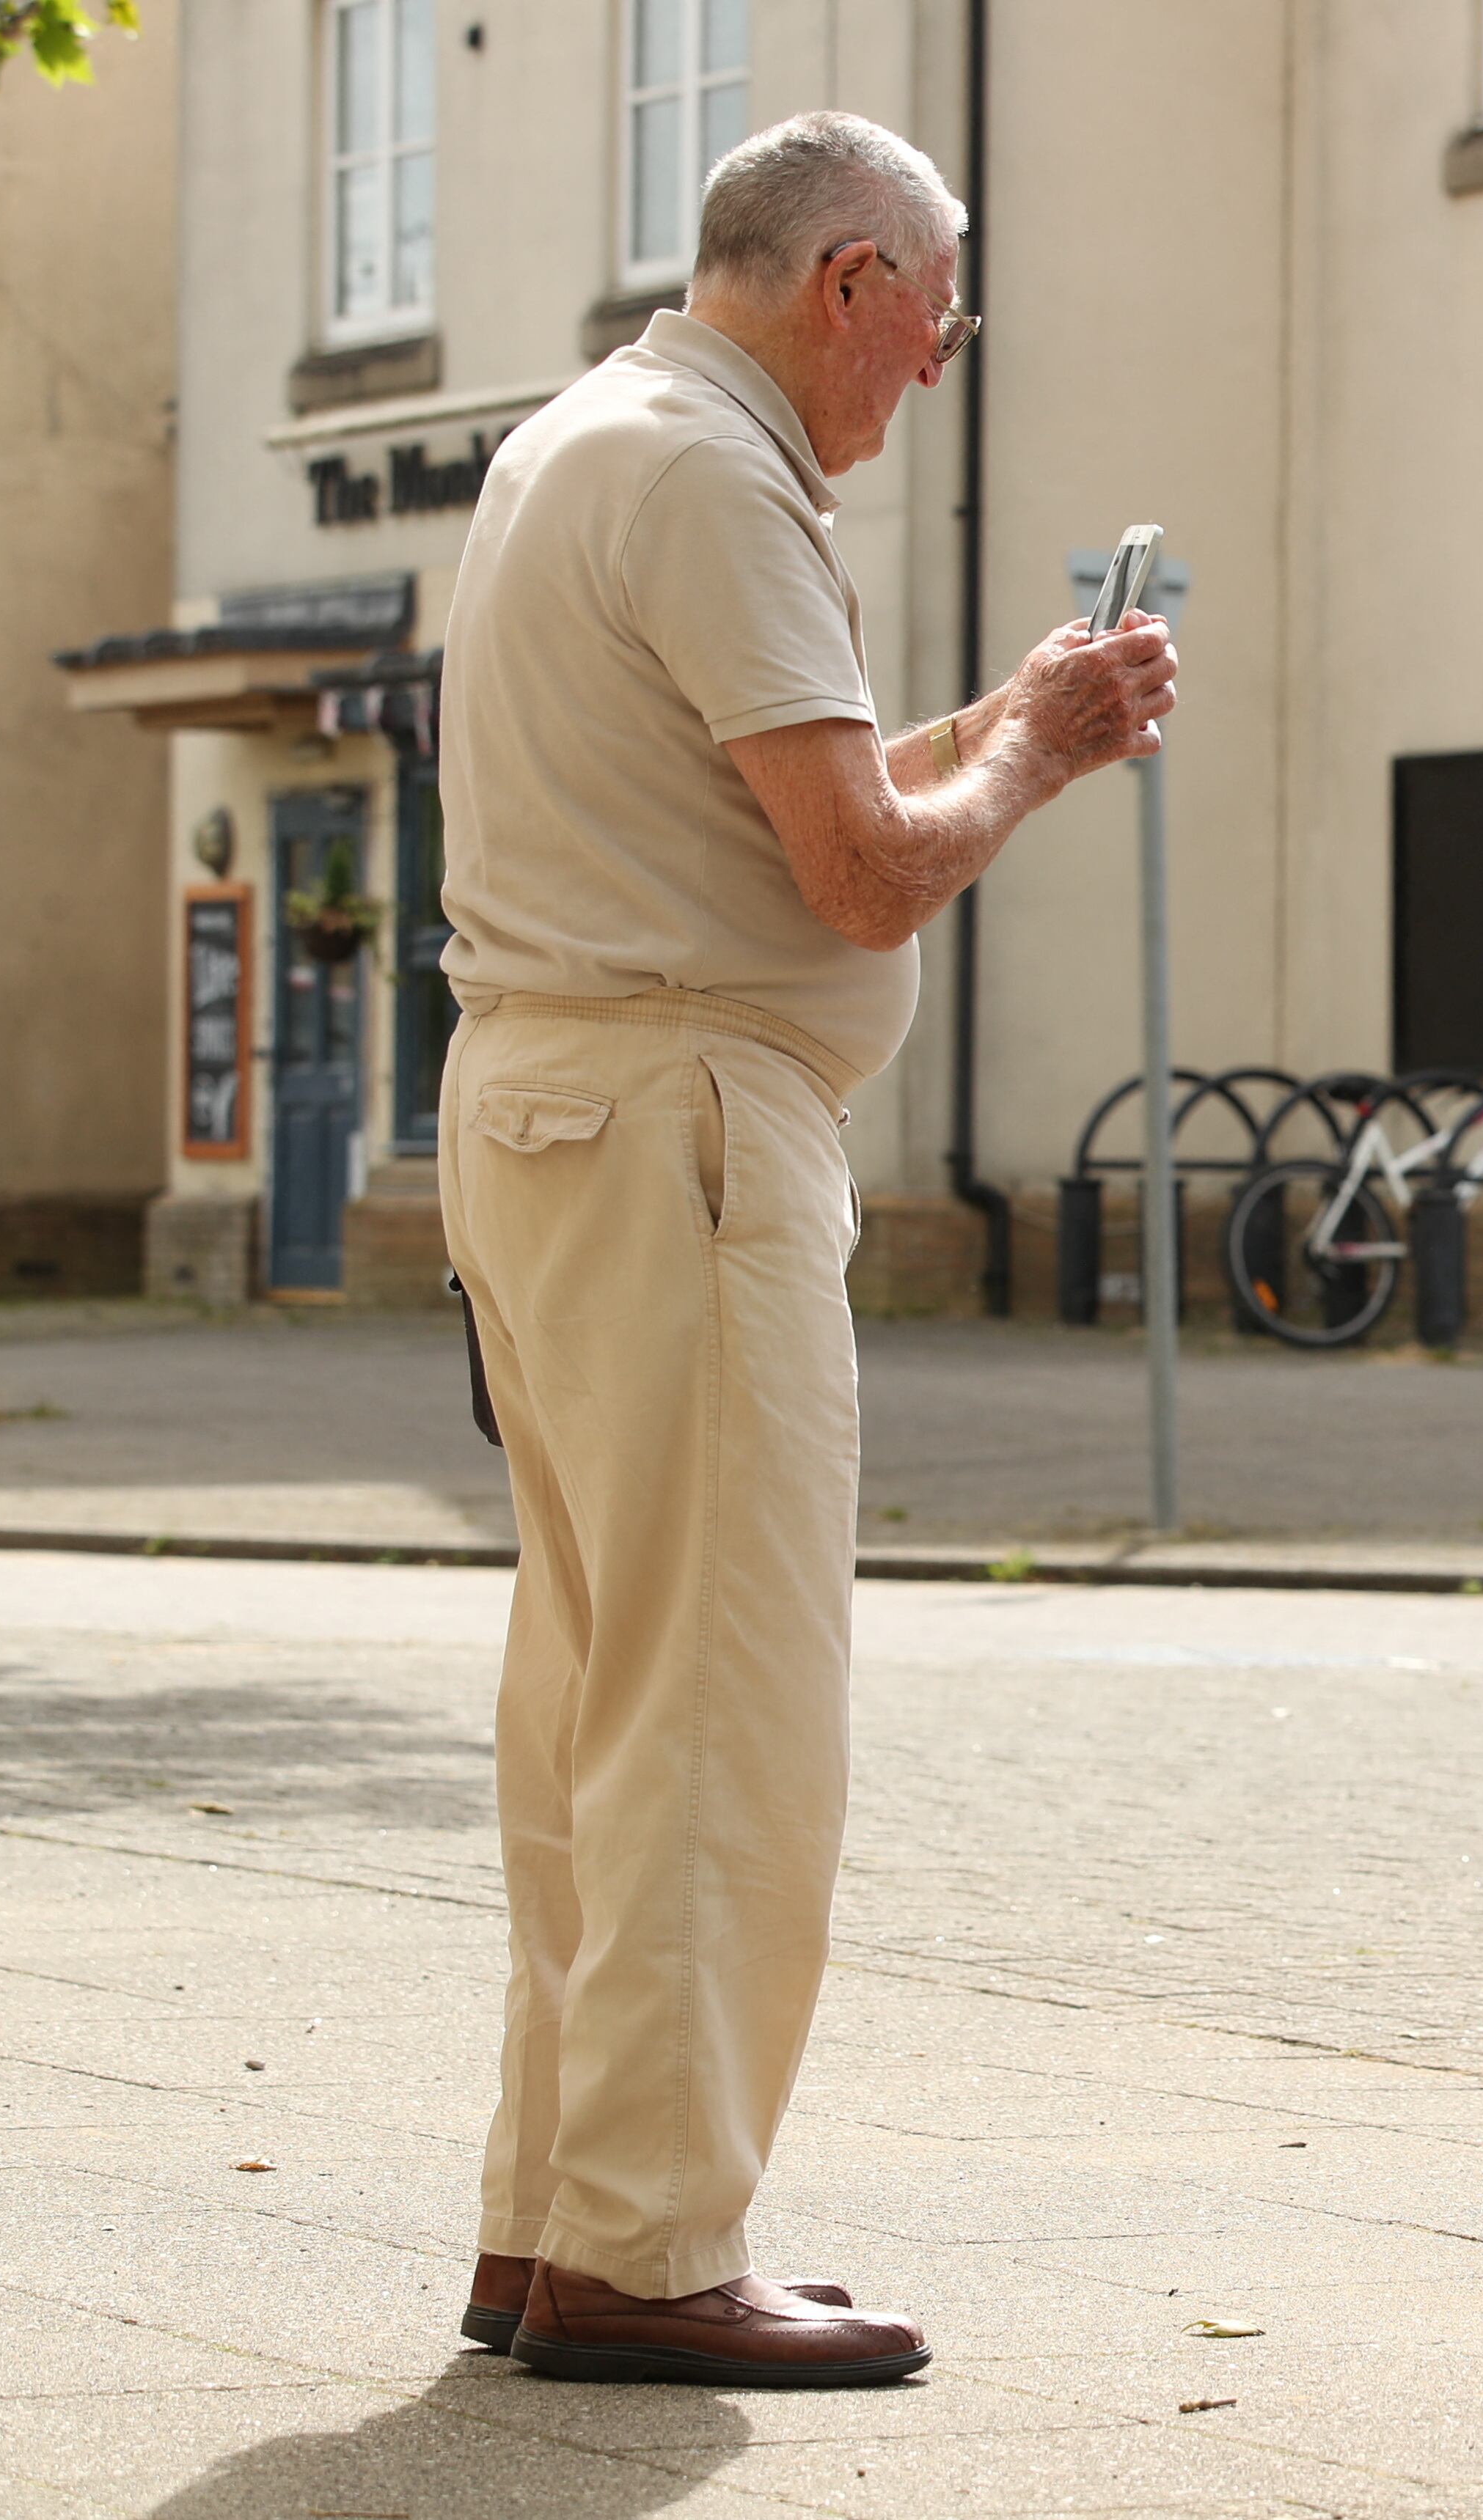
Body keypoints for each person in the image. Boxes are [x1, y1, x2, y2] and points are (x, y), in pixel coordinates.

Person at [432, 110, 1175, 2387]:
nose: (932, 371)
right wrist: (1036, 751)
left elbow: (765, 819)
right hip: (689, 1132)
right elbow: (856, 879)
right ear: (851, 277)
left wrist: (985, 723)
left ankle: (549, 2222)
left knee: (592, 1697)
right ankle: (651, 2249)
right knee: (722, 1706)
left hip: (554, 1102)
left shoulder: (581, 441)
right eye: (936, 321)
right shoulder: (721, 478)